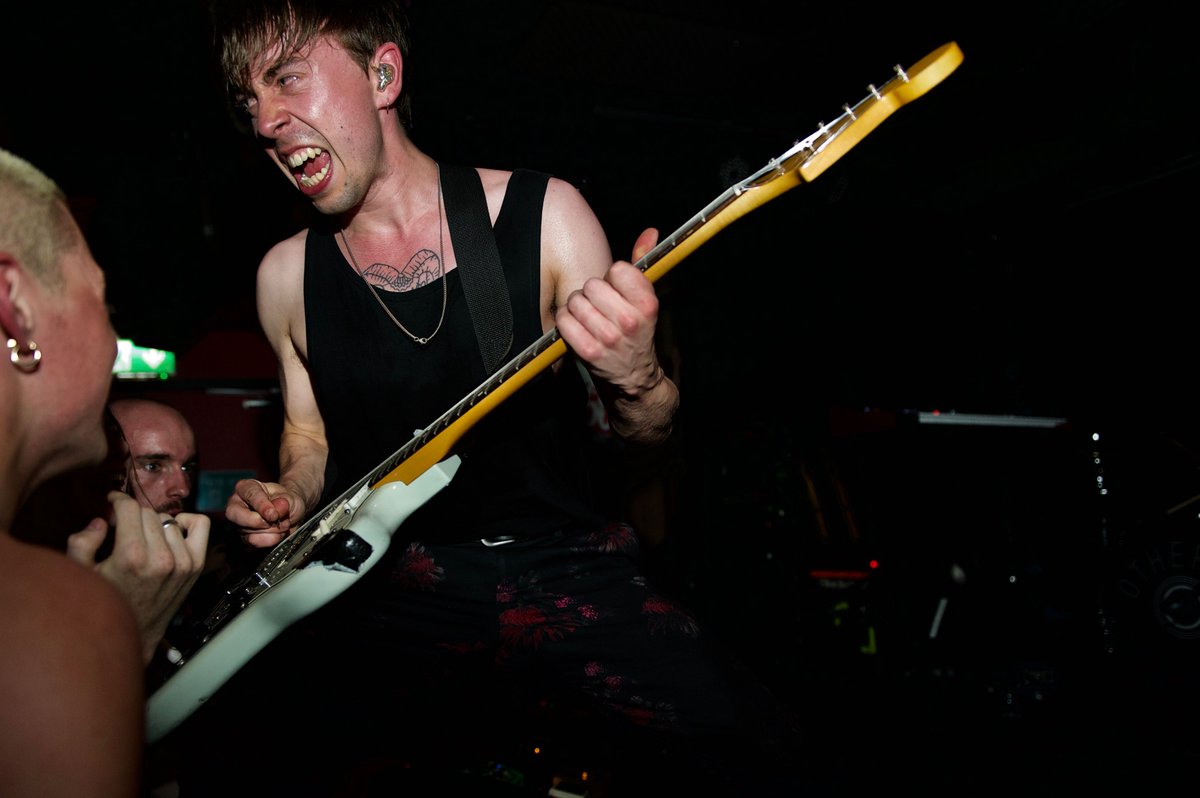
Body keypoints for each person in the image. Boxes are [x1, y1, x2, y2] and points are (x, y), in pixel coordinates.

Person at [187, 1, 809, 794]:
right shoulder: (283, 276)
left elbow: (648, 442)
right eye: (249, 106)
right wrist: (286, 495)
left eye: (287, 80)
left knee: (758, 751)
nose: (268, 123)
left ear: (383, 73)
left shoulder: (542, 215)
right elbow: (308, 440)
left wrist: (638, 379)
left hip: (560, 566)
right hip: (391, 583)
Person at [0, 146, 180, 796]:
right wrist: (111, 637)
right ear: (15, 307)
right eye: (102, 304)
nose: (111, 345)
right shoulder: (53, 619)